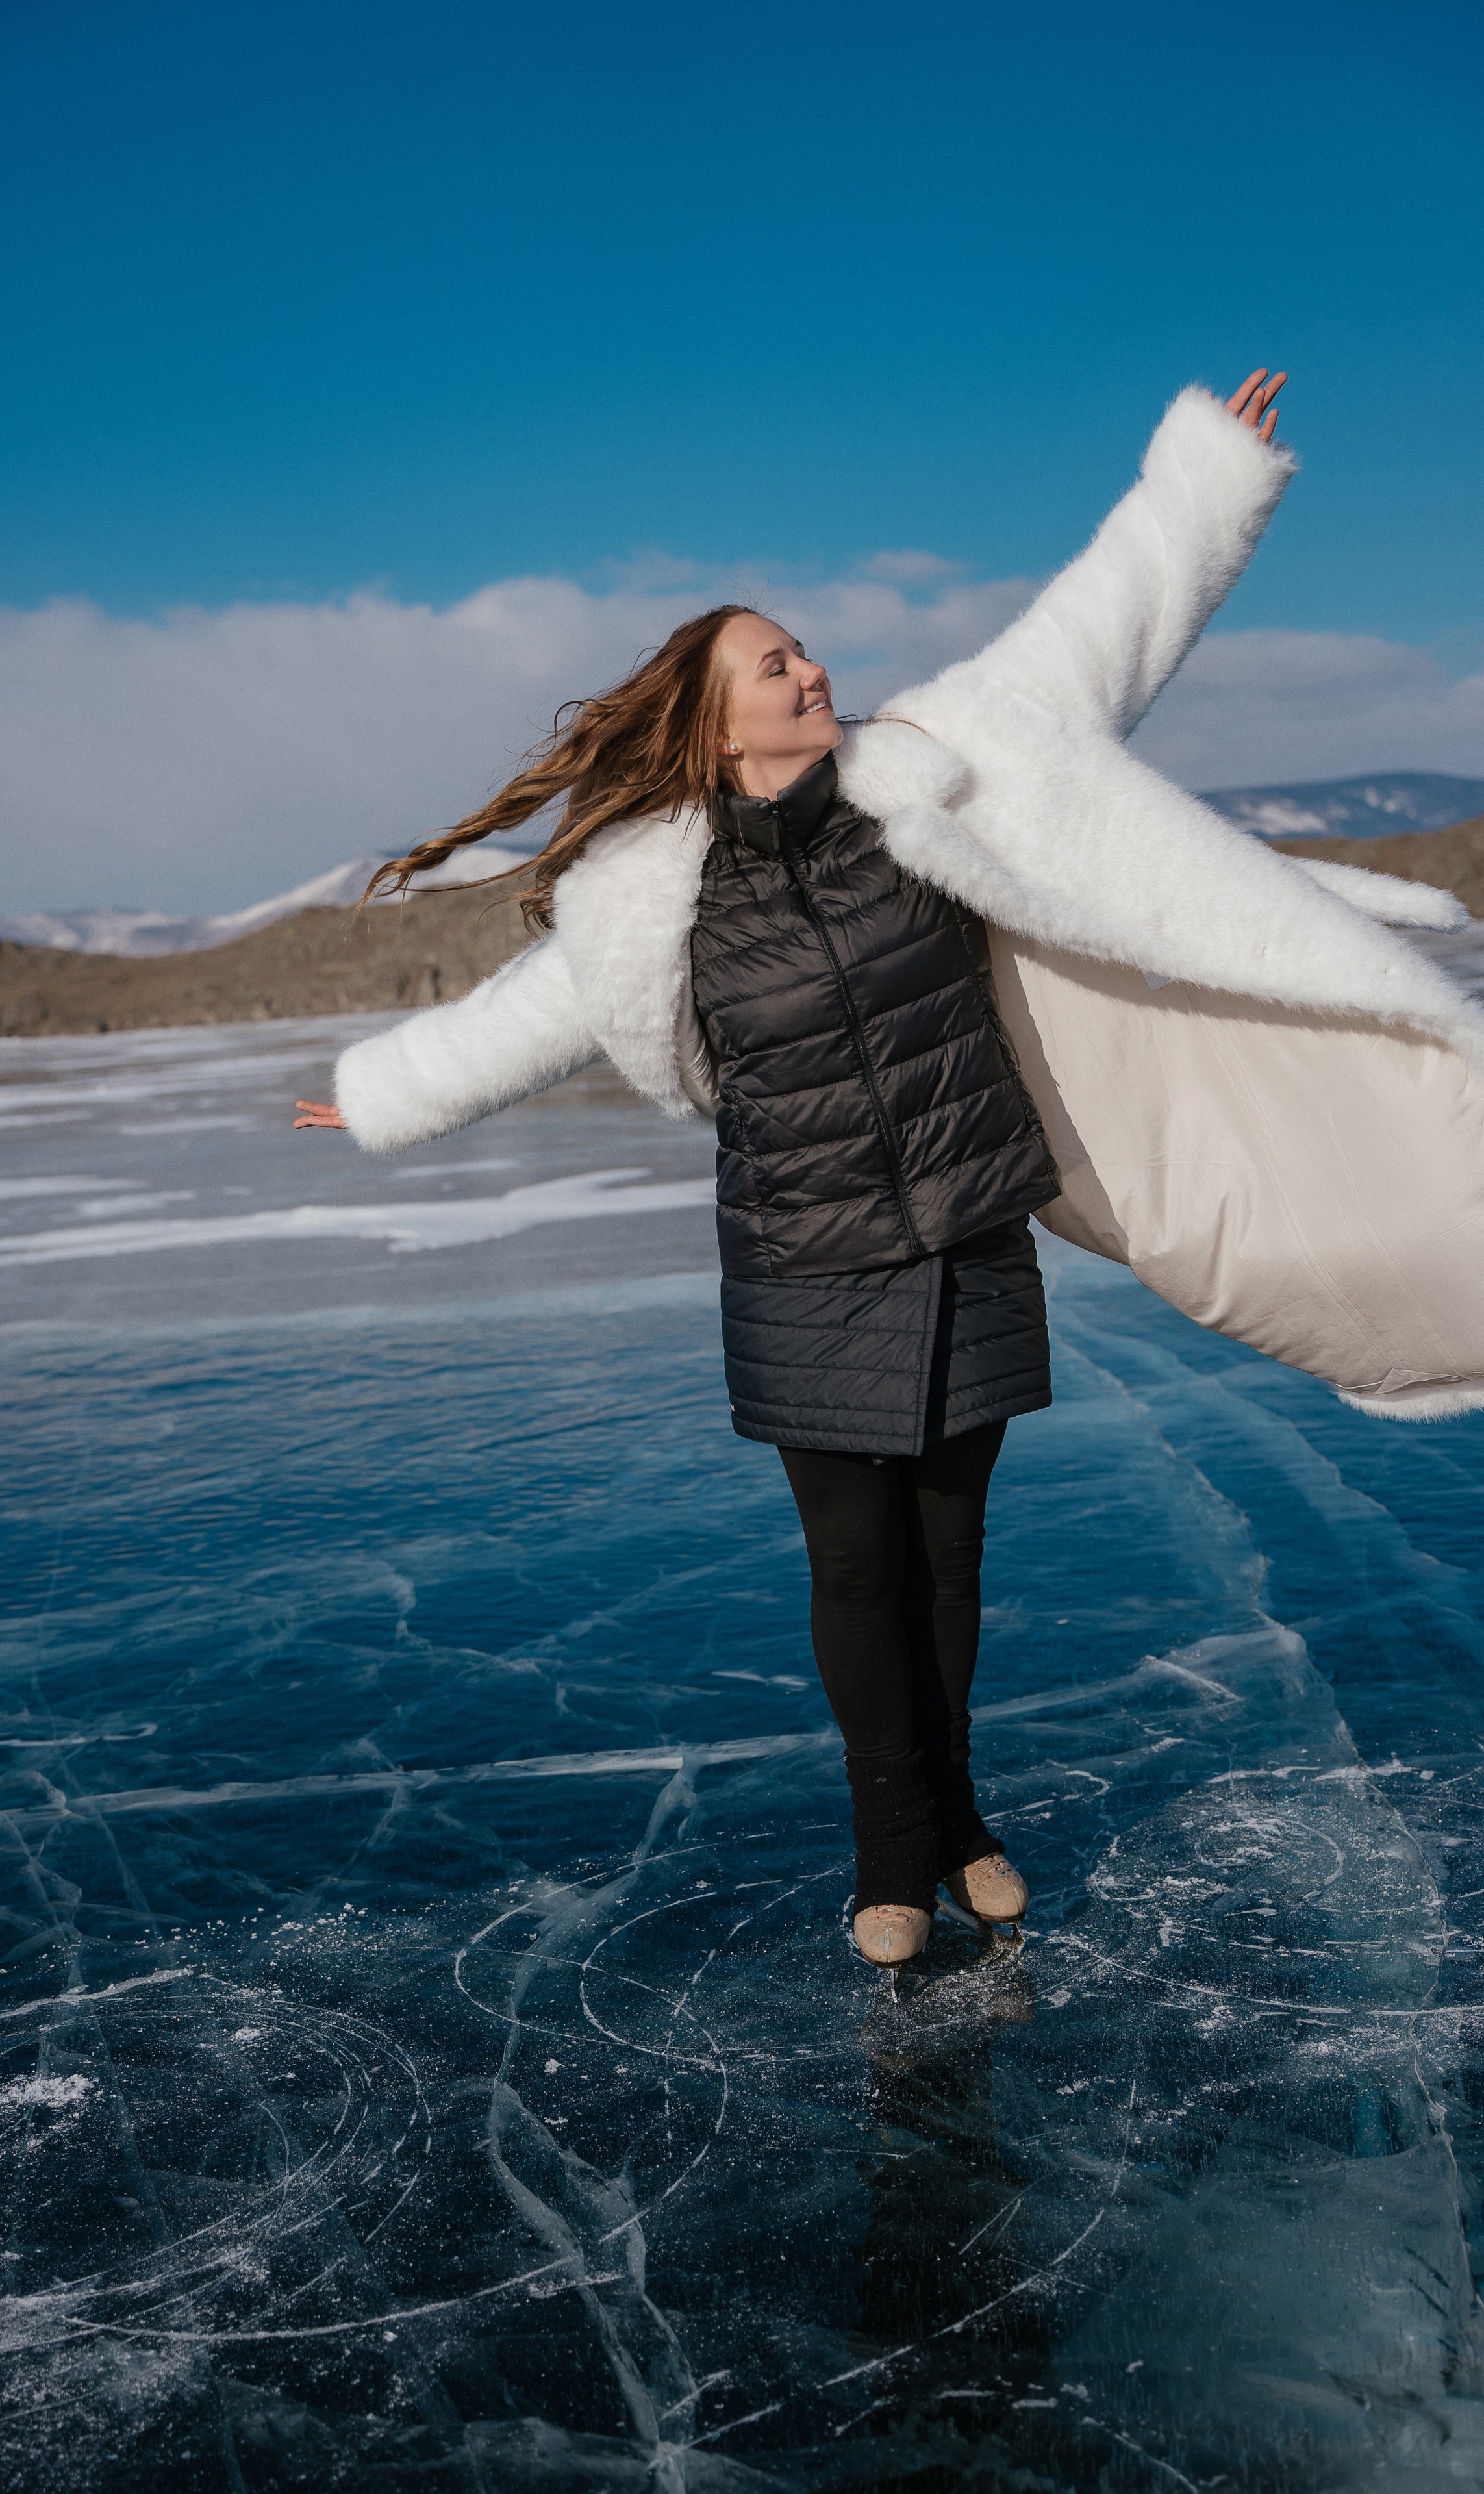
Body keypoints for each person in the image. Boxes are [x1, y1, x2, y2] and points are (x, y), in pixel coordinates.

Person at [297, 370, 1484, 1972]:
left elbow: (1106, 616)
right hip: (799, 1254)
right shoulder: (653, 893)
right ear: (712, 722)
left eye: (802, 649)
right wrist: (380, 1093)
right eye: (772, 663)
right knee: (851, 1568)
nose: (811, 669)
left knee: (947, 1555)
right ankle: (892, 1855)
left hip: (961, 1231)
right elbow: (534, 1018)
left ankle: (958, 1810)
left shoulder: (940, 766)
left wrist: (1207, 481)